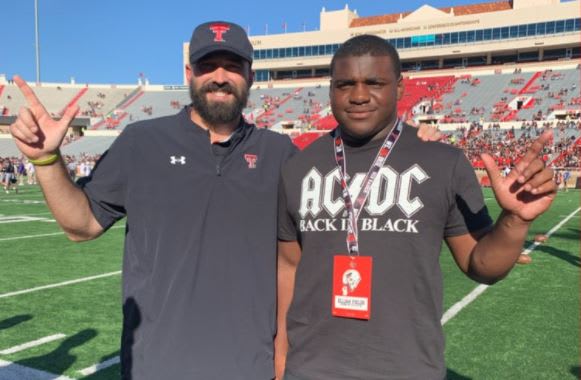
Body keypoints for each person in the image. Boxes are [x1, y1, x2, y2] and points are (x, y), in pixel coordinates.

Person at [9, 22, 440, 380]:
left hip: (249, 366)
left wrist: (407, 144)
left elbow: (315, 238)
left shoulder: (281, 154)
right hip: (156, 366)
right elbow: (79, 225)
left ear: (250, 75)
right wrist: (47, 160)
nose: (219, 76)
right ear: (189, 73)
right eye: (208, 65)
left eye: (232, 66)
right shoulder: (142, 142)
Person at [275, 35, 557, 380]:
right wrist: (280, 357)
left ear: (399, 87)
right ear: (330, 89)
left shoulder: (443, 162)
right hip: (311, 370)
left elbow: (481, 265)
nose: (359, 95)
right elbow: (288, 269)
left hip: (407, 369)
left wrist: (515, 219)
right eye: (345, 84)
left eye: (374, 83)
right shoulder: (298, 168)